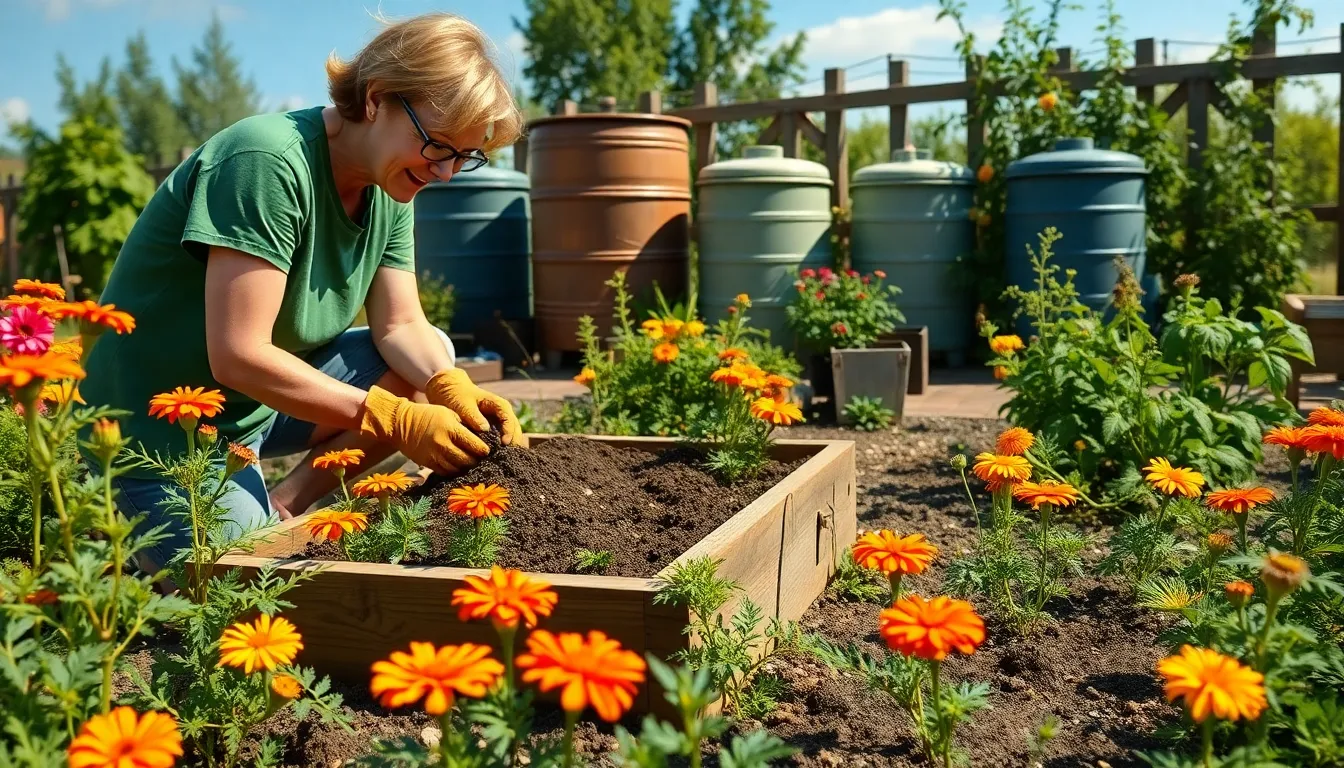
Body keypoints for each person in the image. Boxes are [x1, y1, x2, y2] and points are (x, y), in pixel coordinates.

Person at [80, 12, 527, 570]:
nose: (445, 174)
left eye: (465, 157)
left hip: (253, 411)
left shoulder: (389, 187)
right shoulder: (266, 162)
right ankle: (118, 507)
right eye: (438, 146)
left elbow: (402, 326)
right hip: (156, 426)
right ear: (376, 99)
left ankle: (285, 503)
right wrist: (392, 419)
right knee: (242, 590)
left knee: (425, 364)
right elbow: (238, 355)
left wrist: (451, 388)